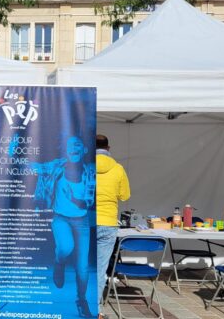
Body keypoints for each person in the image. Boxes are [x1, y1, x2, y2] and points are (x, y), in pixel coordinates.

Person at [33, 136, 95, 318]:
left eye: (77, 145)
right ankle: (59, 262)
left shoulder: (90, 171)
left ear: (83, 149)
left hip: (82, 221)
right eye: (69, 146)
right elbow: (34, 167)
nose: (73, 148)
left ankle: (81, 301)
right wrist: (12, 153)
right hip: (60, 218)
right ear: (66, 151)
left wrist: (74, 199)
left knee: (82, 266)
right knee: (66, 248)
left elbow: (88, 203)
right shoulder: (56, 167)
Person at [95, 135, 130, 319]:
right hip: (108, 222)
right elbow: (124, 195)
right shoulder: (118, 169)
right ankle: (95, 311)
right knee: (100, 268)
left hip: (85, 223)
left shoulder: (82, 167)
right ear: (108, 148)